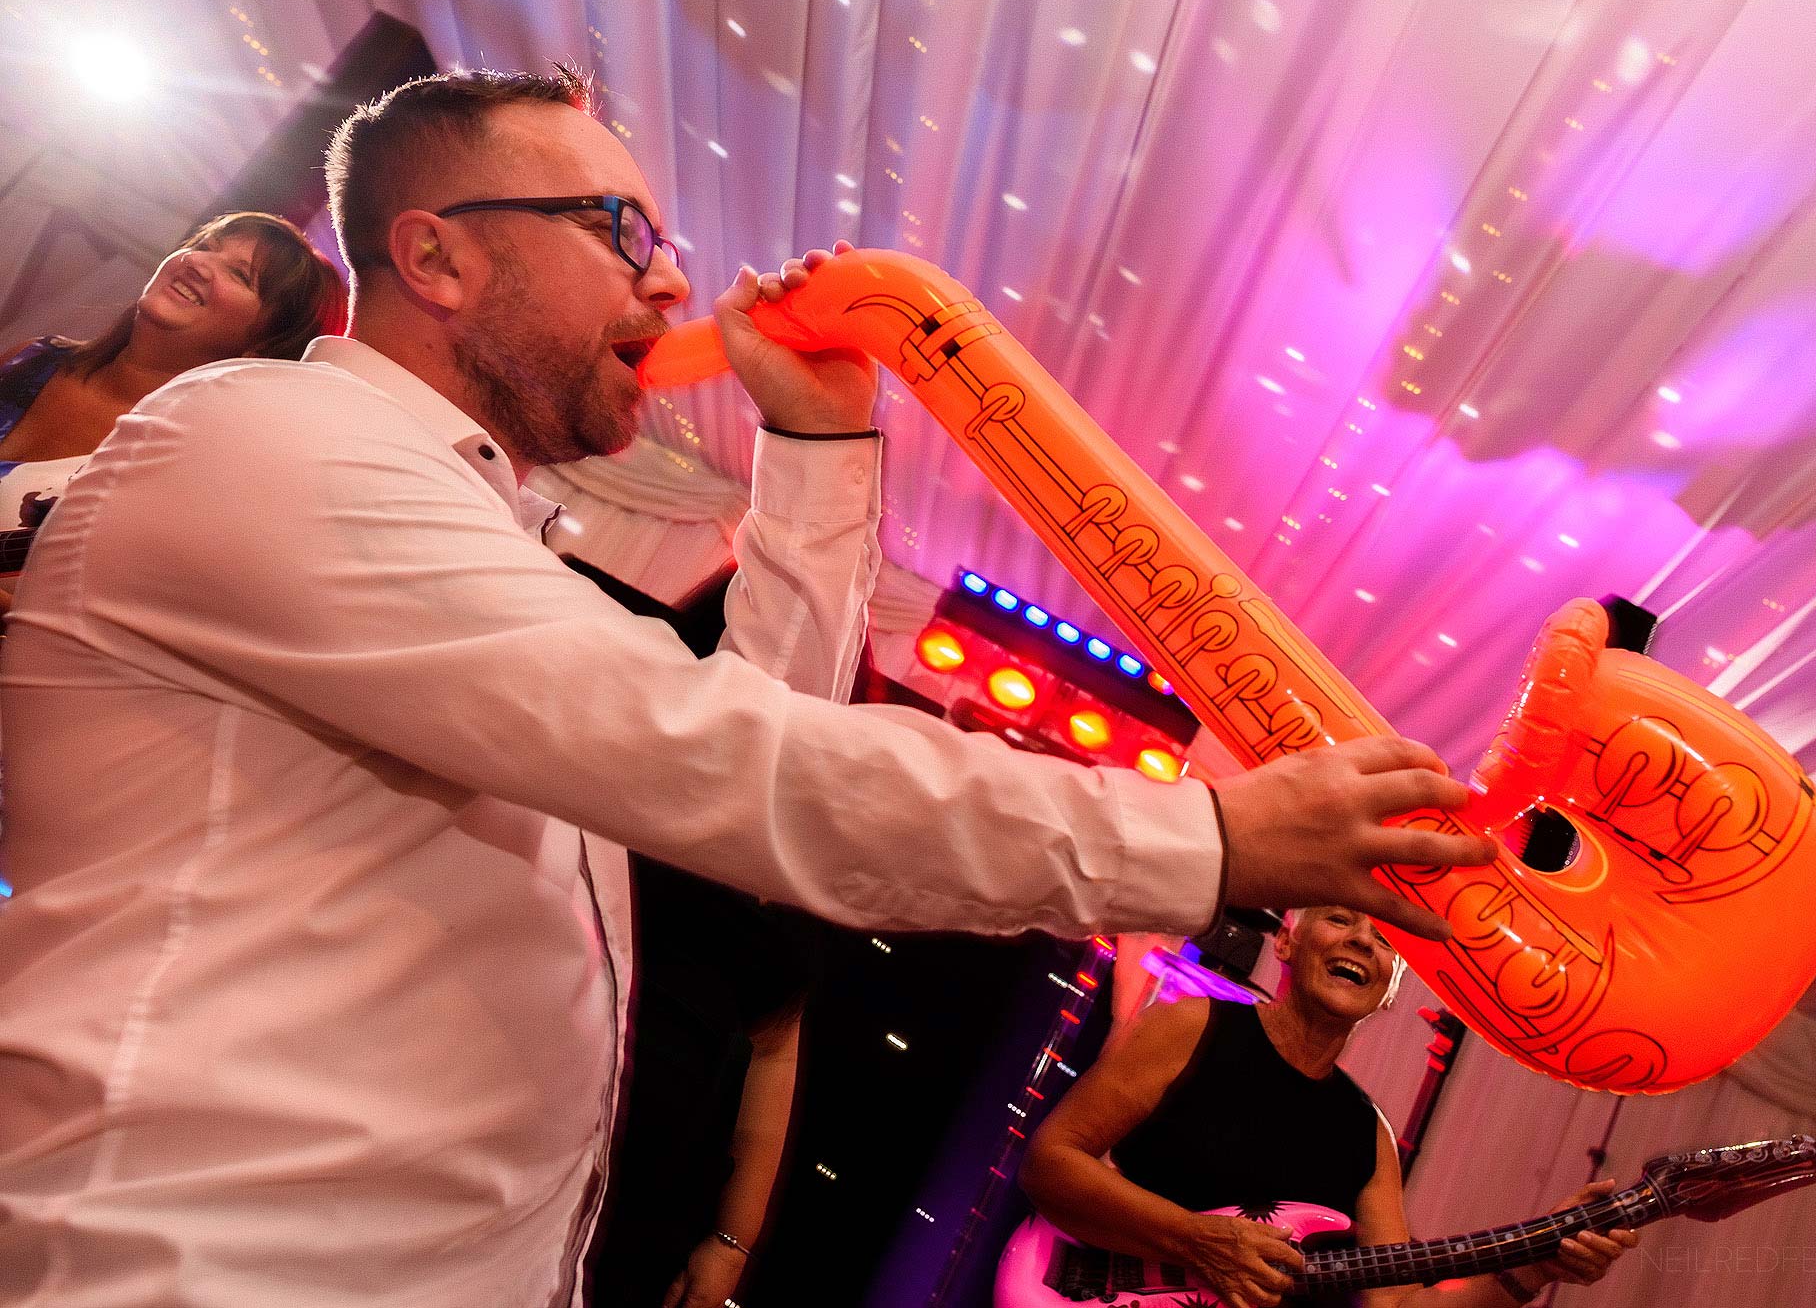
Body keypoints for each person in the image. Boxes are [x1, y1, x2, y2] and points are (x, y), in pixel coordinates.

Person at [0, 66, 1494, 1306]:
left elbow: (734, 768)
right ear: (437, 257)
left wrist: (821, 446)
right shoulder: (269, 439)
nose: (671, 277)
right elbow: (719, 758)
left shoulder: (476, 523)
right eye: (618, 227)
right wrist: (1209, 837)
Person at [1021, 908, 1640, 1308]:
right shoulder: (1192, 1028)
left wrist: (1535, 1266)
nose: (1363, 941)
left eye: (1387, 940)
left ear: (1392, 985)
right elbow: (1049, 1162)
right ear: (1286, 941)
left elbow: (1397, 1306)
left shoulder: (1367, 1135)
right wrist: (1196, 1240)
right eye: (1341, 919)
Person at [0, 210, 344, 608]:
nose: (196, 261)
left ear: (266, 346)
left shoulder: (183, 473)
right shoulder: (33, 359)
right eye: (204, 246)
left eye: (239, 274)